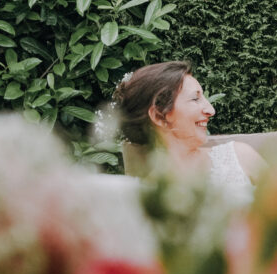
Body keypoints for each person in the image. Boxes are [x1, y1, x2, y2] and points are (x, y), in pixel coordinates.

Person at [113, 61, 266, 206]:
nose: (211, 110)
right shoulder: (147, 197)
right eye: (195, 98)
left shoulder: (240, 156)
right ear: (159, 116)